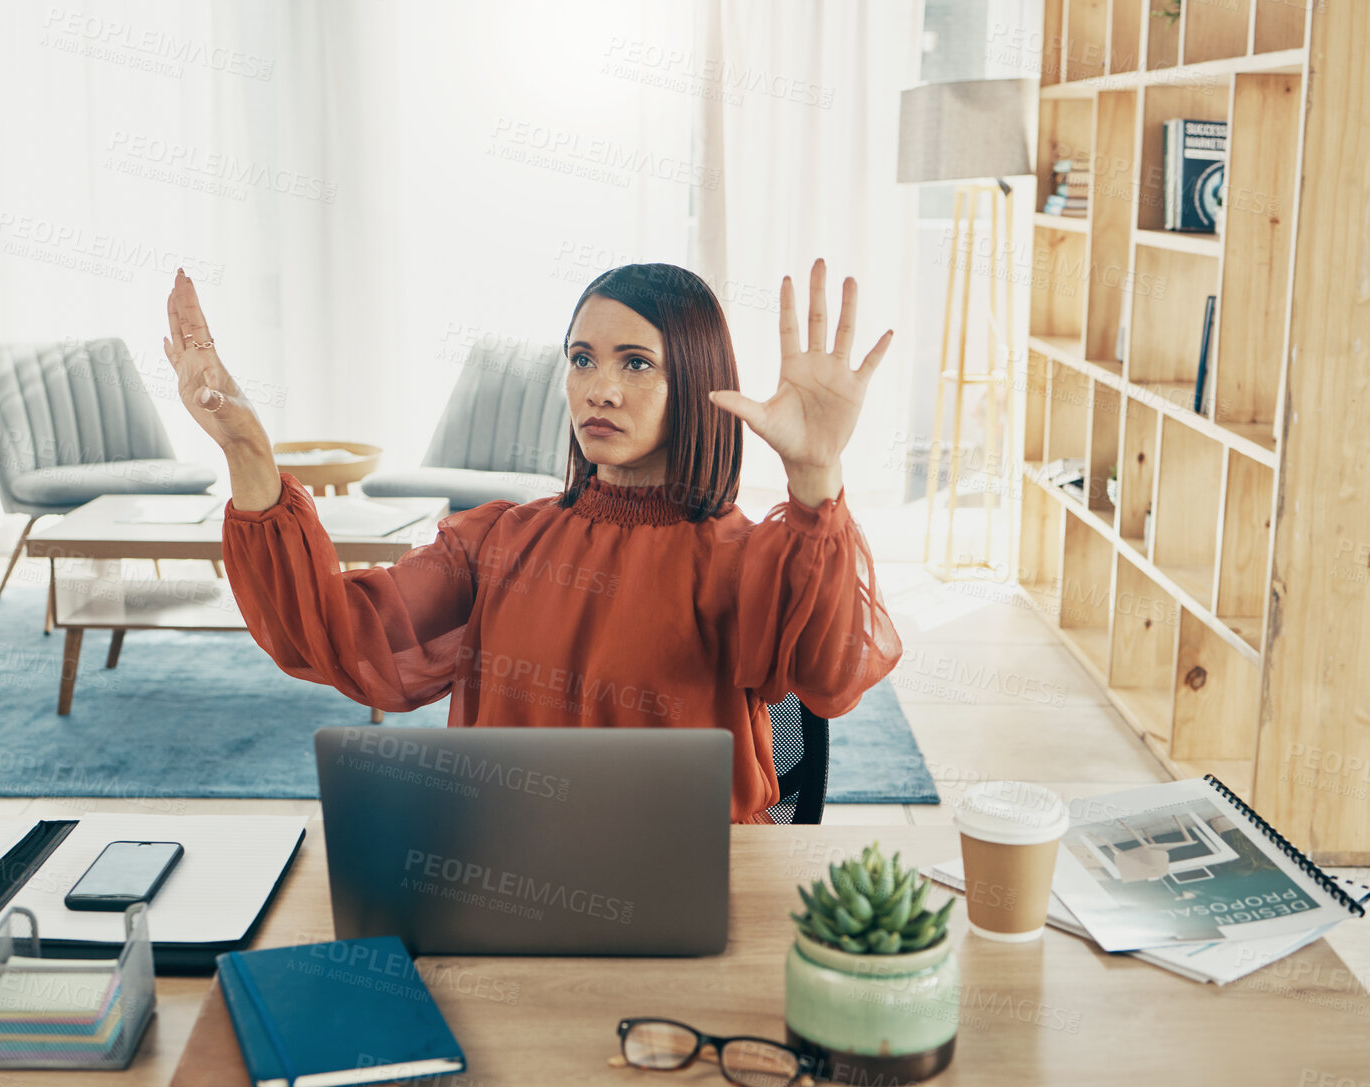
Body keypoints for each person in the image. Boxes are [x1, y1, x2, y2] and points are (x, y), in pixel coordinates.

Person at [163, 260, 902, 823]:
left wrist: (815, 476)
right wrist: (247, 451)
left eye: (634, 363)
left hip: (695, 886)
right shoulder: (496, 540)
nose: (597, 389)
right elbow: (335, 635)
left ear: (699, 379)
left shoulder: (750, 556)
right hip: (502, 875)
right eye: (581, 359)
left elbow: (831, 675)